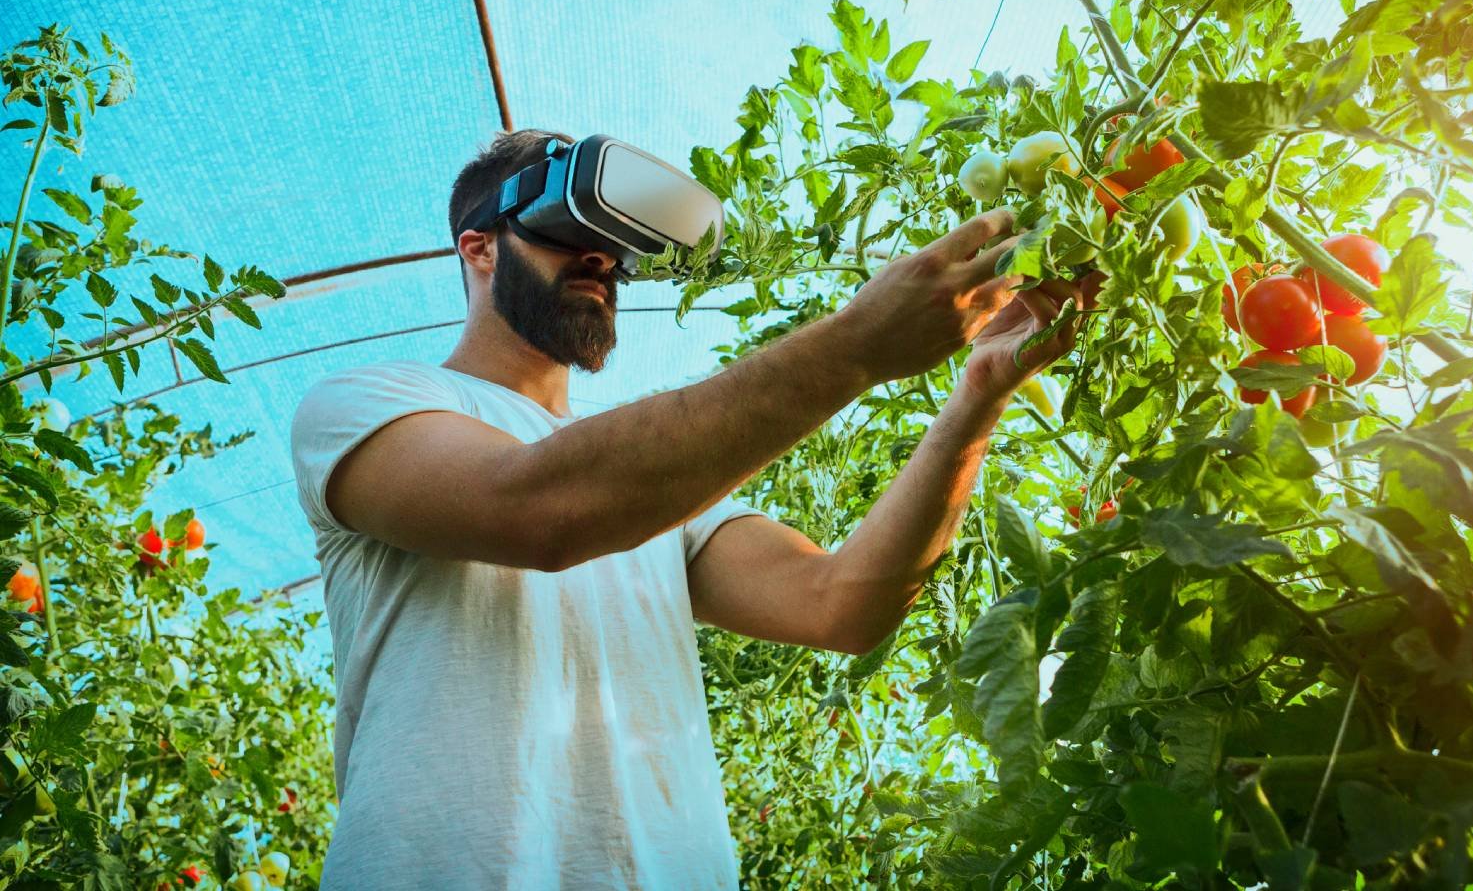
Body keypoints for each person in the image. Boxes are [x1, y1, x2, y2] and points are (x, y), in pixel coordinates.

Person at [290, 128, 1097, 890]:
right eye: (569, 232)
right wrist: (855, 345)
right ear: (479, 248)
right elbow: (538, 507)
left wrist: (981, 392)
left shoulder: (659, 503)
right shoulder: (368, 405)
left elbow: (842, 604)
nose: (602, 260)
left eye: (618, 247)